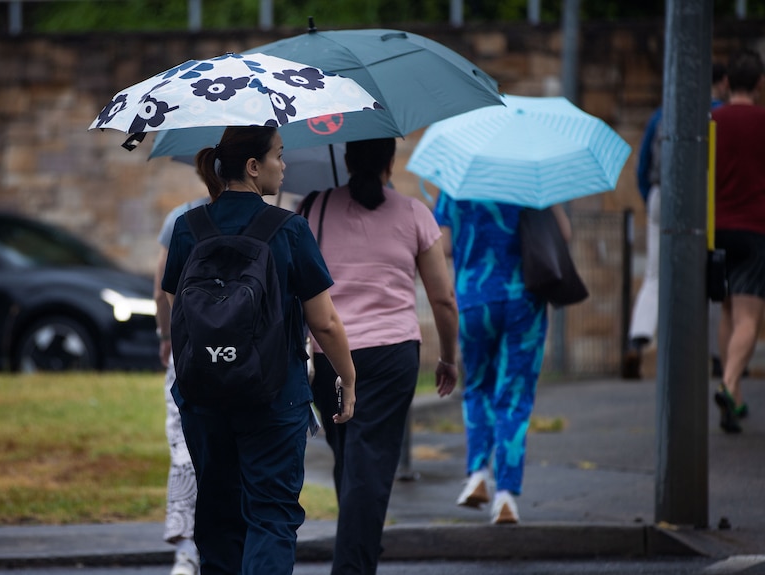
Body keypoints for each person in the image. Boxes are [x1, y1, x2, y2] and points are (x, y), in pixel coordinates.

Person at [161, 125, 357, 574]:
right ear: (253, 167)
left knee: (216, 518)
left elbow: (179, 313)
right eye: (279, 156)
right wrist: (347, 376)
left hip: (203, 395)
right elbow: (323, 320)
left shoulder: (188, 228)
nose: (284, 166)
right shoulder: (288, 229)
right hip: (274, 396)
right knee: (270, 516)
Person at [300, 137, 459, 575]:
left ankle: (359, 547)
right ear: (391, 162)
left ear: (348, 159)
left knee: (352, 457)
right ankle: (354, 562)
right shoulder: (414, 214)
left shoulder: (313, 207)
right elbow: (443, 299)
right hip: (391, 356)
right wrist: (448, 357)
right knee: (367, 464)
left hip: (329, 354)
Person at [435, 194, 571, 525]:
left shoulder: (458, 182)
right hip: (524, 298)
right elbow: (563, 234)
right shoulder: (529, 177)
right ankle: (506, 495)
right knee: (515, 397)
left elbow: (445, 245)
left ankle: (478, 474)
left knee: (477, 386)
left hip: (474, 298)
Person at [623, 63, 730, 379]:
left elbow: (642, 166)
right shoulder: (718, 113)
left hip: (661, 193)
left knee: (655, 273)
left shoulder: (661, 114)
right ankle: (715, 355)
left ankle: (638, 339)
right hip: (704, 195)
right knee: (708, 272)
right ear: (721, 83)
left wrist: (651, 197)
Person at [712, 49, 765, 433]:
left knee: (725, 312)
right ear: (760, 83)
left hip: (716, 227)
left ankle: (733, 400)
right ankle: (729, 382)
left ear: (726, 82)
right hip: (753, 227)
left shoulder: (713, 121)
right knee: (748, 317)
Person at [153, 198, 208, 575]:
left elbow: (161, 289)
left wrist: (165, 334)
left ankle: (187, 551)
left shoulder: (181, 218)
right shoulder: (272, 220)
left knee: (185, 445)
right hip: (249, 360)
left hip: (189, 352)